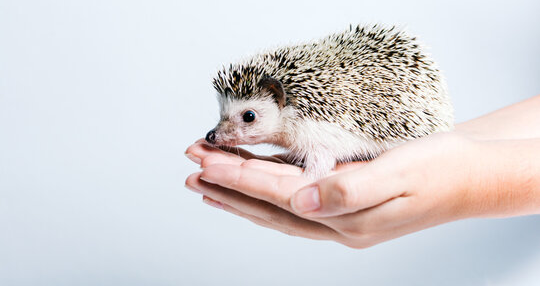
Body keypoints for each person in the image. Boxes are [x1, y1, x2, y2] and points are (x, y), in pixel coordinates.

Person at [184, 95, 540, 249]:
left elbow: (319, 158)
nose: (222, 134)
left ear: (282, 103)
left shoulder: (310, 127)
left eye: (247, 118)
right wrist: (473, 142)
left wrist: (476, 179)